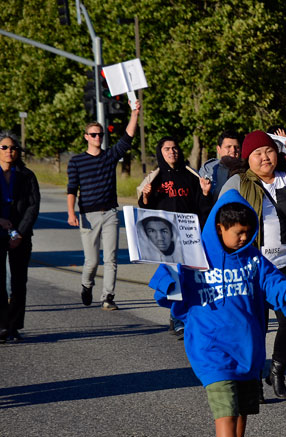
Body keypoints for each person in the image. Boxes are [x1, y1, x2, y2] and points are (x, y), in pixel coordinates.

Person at [149, 191, 286, 437]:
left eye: (248, 231)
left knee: (242, 410)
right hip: (211, 349)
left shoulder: (254, 259)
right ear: (219, 229)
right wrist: (170, 280)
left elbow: (277, 286)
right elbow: (166, 289)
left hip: (247, 349)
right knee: (225, 410)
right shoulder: (193, 255)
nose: (244, 237)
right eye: (238, 233)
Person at [220, 130, 286, 399]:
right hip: (254, 265)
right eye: (257, 153)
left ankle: (277, 370)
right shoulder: (238, 183)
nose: (265, 157)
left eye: (269, 150)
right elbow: (221, 217)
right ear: (248, 158)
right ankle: (254, 378)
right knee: (255, 328)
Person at [67, 100, 141, 310]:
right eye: (93, 134)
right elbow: (72, 189)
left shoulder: (109, 157)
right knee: (91, 262)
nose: (97, 137)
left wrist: (134, 113)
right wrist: (71, 212)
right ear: (86, 137)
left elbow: (127, 139)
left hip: (109, 213)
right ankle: (86, 284)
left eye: (100, 134)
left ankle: (108, 297)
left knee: (111, 259)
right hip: (87, 216)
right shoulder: (76, 161)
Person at [138, 136, 213, 337]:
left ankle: (186, 315)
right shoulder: (155, 178)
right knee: (174, 277)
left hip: (189, 235)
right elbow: (145, 210)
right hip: (167, 238)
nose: (172, 152)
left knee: (190, 278)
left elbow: (202, 207)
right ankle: (177, 317)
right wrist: (146, 196)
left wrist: (205, 193)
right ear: (160, 153)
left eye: (175, 148)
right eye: (167, 149)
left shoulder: (190, 176)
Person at [0, 132, 40, 342]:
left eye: (13, 148)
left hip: (21, 235)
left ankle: (14, 326)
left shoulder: (26, 175)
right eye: (4, 147)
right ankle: (2, 326)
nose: (9, 152)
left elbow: (33, 206)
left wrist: (20, 233)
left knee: (18, 282)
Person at [199, 131, 241, 198]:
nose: (233, 150)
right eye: (228, 147)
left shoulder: (246, 171)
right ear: (218, 149)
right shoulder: (207, 170)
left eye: (237, 147)